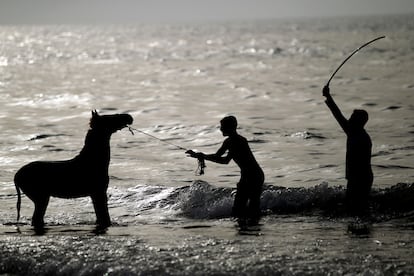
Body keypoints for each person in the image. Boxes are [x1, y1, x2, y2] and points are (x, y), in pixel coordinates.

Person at [186, 116, 264, 224]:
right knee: (243, 208)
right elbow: (219, 156)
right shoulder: (228, 141)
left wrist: (203, 156)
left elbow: (224, 160)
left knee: (244, 208)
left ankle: (251, 230)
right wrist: (200, 156)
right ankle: (250, 229)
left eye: (223, 127)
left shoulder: (239, 141)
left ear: (230, 127)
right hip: (248, 175)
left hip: (254, 175)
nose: (221, 129)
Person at [322, 85, 373, 215]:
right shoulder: (356, 133)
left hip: (360, 177)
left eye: (352, 117)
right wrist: (328, 96)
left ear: (358, 121)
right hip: (360, 177)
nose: (349, 119)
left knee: (356, 207)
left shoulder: (357, 135)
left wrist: (328, 96)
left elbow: (338, 115)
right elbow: (338, 115)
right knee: (357, 208)